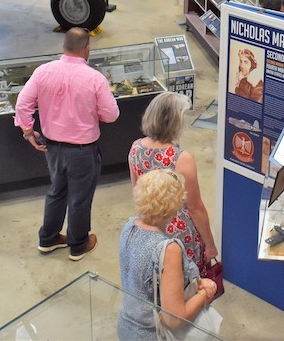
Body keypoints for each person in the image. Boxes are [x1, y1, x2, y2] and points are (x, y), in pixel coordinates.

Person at [15, 28, 120, 261]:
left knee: (56, 190)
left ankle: (49, 238)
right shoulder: (95, 78)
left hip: (52, 148)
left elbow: (22, 104)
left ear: (64, 46)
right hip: (83, 151)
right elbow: (111, 115)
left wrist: (28, 132)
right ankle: (78, 244)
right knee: (80, 198)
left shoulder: (43, 71)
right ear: (86, 49)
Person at [117, 169, 219, 340]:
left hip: (127, 328)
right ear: (176, 205)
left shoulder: (129, 227)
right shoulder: (168, 249)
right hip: (154, 335)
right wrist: (205, 293)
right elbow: (173, 318)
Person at [128, 93, 217, 272]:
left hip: (149, 226)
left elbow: (137, 192)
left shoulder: (136, 147)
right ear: (175, 122)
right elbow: (195, 208)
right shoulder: (181, 159)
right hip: (178, 232)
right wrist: (210, 245)